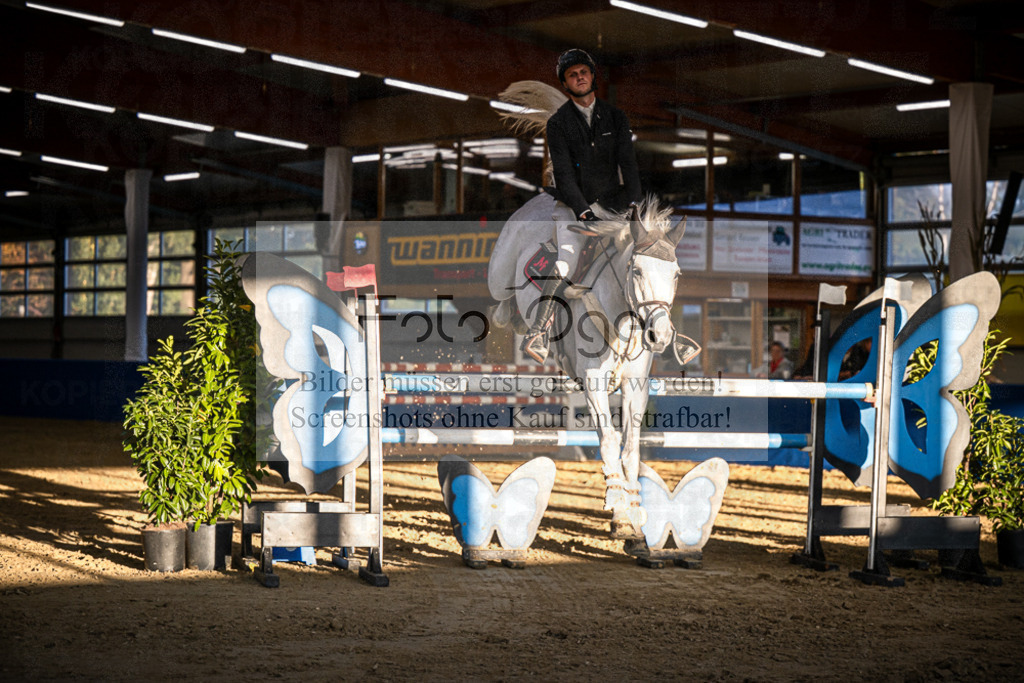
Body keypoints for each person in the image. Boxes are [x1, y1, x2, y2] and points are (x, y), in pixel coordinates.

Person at [521, 48, 643, 363]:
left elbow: (628, 164)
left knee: (644, 257)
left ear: (592, 77)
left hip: (613, 205)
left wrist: (635, 203)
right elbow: (562, 172)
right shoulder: (558, 123)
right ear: (566, 84)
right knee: (565, 262)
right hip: (573, 206)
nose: (579, 77)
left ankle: (660, 327)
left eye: (583, 72)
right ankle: (539, 332)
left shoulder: (616, 117)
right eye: (573, 75)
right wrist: (582, 211)